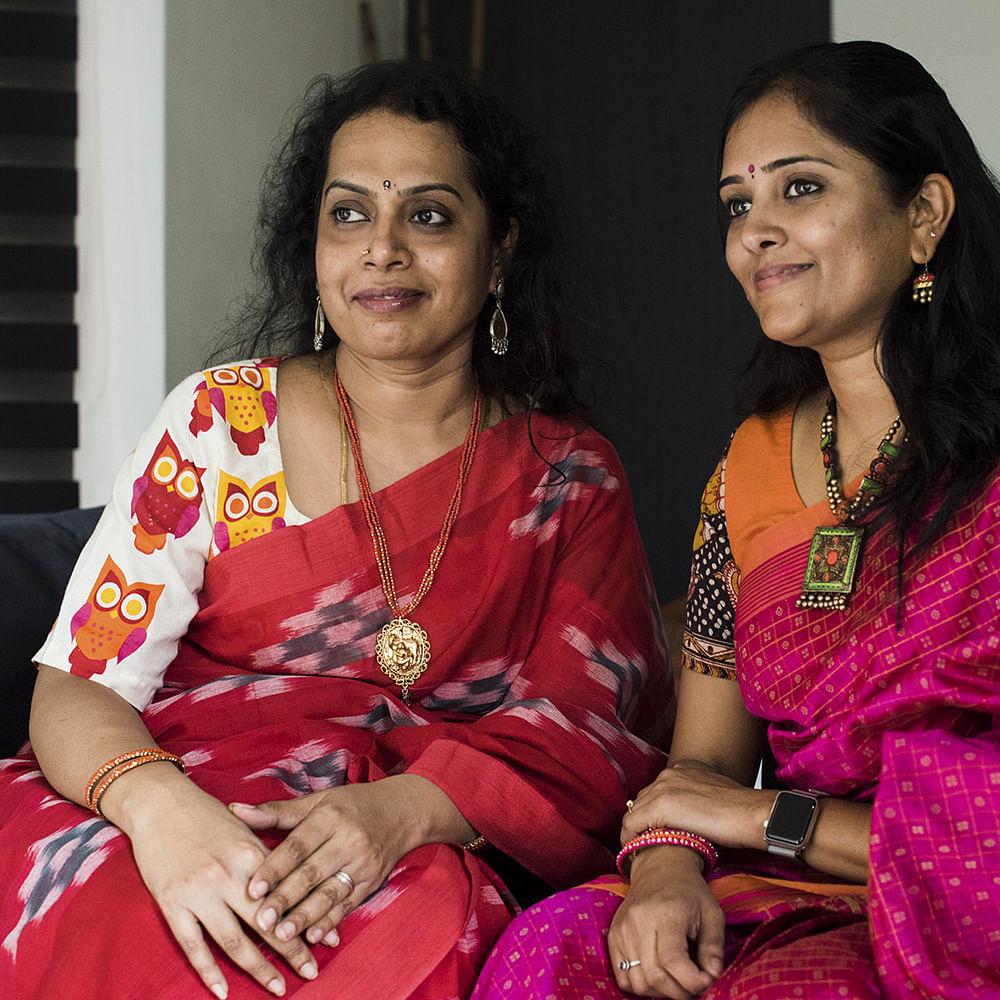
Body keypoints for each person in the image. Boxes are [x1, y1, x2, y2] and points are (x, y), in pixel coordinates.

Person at [0, 61, 671, 1000]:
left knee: (403, 935)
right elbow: (79, 684)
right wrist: (166, 820)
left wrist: (399, 814)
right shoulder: (218, 423)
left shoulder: (566, 480)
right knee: (134, 914)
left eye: (429, 216)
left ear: (502, 249)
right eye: (348, 214)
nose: (381, 249)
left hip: (410, 837)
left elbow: (589, 738)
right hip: (173, 802)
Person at [470, 39, 1000, 1000]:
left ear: (924, 215)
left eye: (800, 190)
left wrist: (769, 822)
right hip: (791, 880)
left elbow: (745, 802)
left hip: (964, 893)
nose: (755, 232)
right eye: (737, 205)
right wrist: (668, 869)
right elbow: (707, 763)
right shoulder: (744, 476)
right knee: (555, 953)